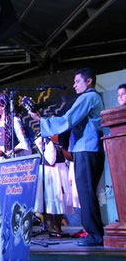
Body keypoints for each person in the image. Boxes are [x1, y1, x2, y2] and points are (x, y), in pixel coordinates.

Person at [29, 67, 105, 246]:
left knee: (86, 193)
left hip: (87, 149)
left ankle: (94, 235)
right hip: (87, 149)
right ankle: (94, 233)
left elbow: (68, 120)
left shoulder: (88, 97)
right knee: (87, 193)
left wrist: (41, 120)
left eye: (77, 81)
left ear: (89, 81)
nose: (74, 85)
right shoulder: (92, 98)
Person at [34, 136, 74, 236]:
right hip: (48, 169)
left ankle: (58, 226)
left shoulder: (60, 133)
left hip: (60, 168)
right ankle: (50, 227)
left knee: (60, 197)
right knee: (48, 198)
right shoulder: (42, 137)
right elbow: (50, 158)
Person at [0, 92, 31, 159]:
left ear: (3, 106)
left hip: (11, 163)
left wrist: (11, 152)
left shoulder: (14, 121)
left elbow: (24, 143)